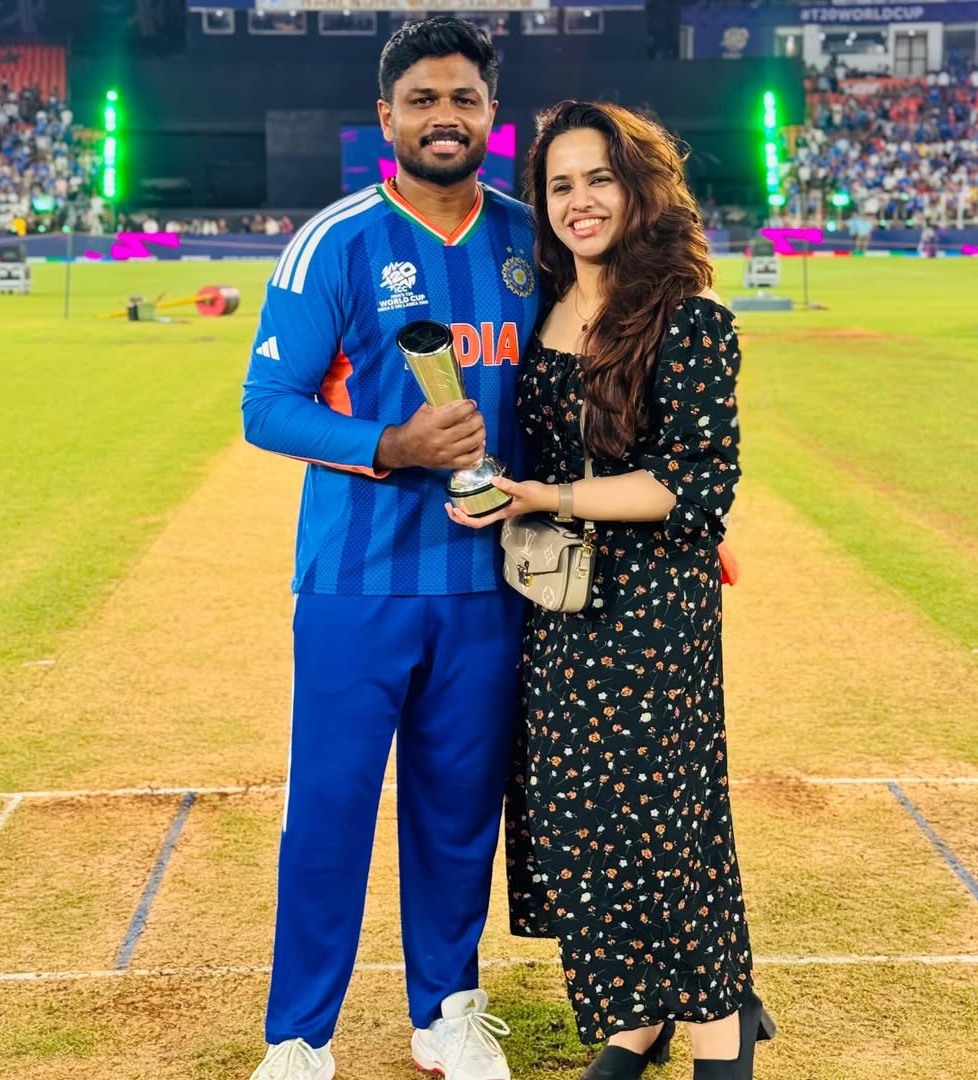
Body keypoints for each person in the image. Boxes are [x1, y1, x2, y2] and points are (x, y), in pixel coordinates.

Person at [447, 101, 774, 1080]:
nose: (579, 200)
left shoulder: (689, 317)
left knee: (665, 823)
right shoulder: (544, 307)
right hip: (557, 604)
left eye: (599, 178)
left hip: (652, 611)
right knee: (580, 820)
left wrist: (546, 494)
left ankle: (721, 1031)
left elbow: (693, 484)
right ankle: (635, 1019)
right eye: (560, 185)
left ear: (639, 188)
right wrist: (494, 488)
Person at [241, 17, 542, 1080]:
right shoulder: (336, 241)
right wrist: (392, 445)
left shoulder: (531, 241)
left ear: (491, 115)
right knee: (328, 809)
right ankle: (299, 1037)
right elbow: (267, 406)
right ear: (387, 117)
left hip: (487, 583)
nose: (443, 117)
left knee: (458, 813)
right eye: (422, 100)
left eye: (463, 98)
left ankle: (447, 1011)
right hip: (355, 581)